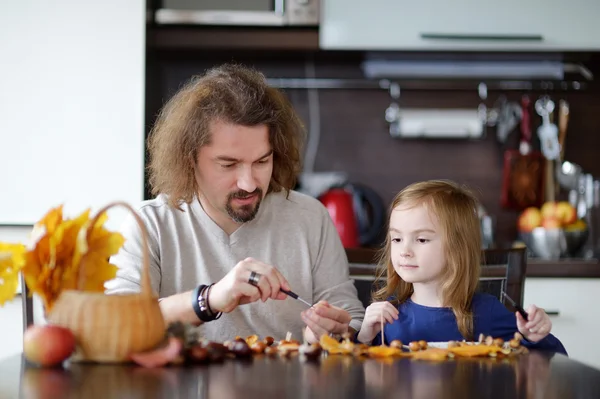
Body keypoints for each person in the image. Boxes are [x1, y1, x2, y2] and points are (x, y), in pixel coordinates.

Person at [105, 63, 365, 343]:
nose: (249, 183)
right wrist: (210, 298)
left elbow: (350, 317)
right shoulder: (150, 225)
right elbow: (117, 323)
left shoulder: (310, 218)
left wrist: (339, 330)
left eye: (262, 161)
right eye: (228, 164)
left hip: (289, 386)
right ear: (189, 160)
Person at [356, 180, 567, 355]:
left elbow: (555, 357)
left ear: (457, 247)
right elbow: (354, 376)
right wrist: (365, 335)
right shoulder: (386, 316)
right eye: (397, 239)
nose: (405, 251)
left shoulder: (486, 313)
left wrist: (535, 337)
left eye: (421, 240)